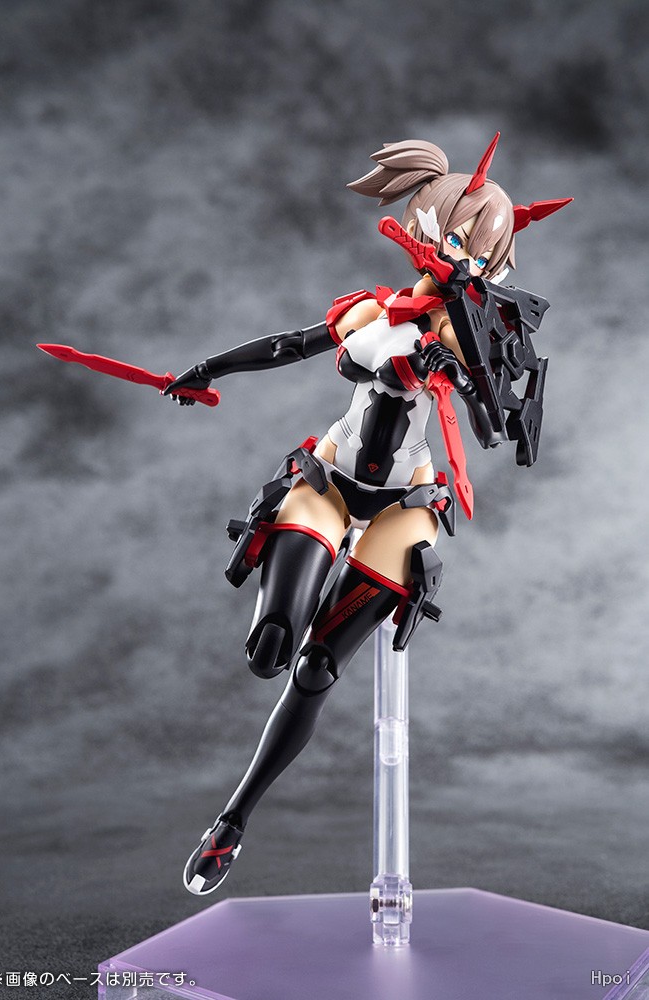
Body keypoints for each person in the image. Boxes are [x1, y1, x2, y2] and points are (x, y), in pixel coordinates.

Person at [165, 134, 571, 895]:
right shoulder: (373, 310)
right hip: (330, 478)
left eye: (472, 249)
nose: (454, 255)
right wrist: (207, 369)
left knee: (315, 667)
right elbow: (289, 345)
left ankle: (232, 822)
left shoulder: (468, 330)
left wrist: (463, 372)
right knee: (271, 647)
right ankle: (273, 633)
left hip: (403, 504)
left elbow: (495, 419)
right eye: (448, 237)